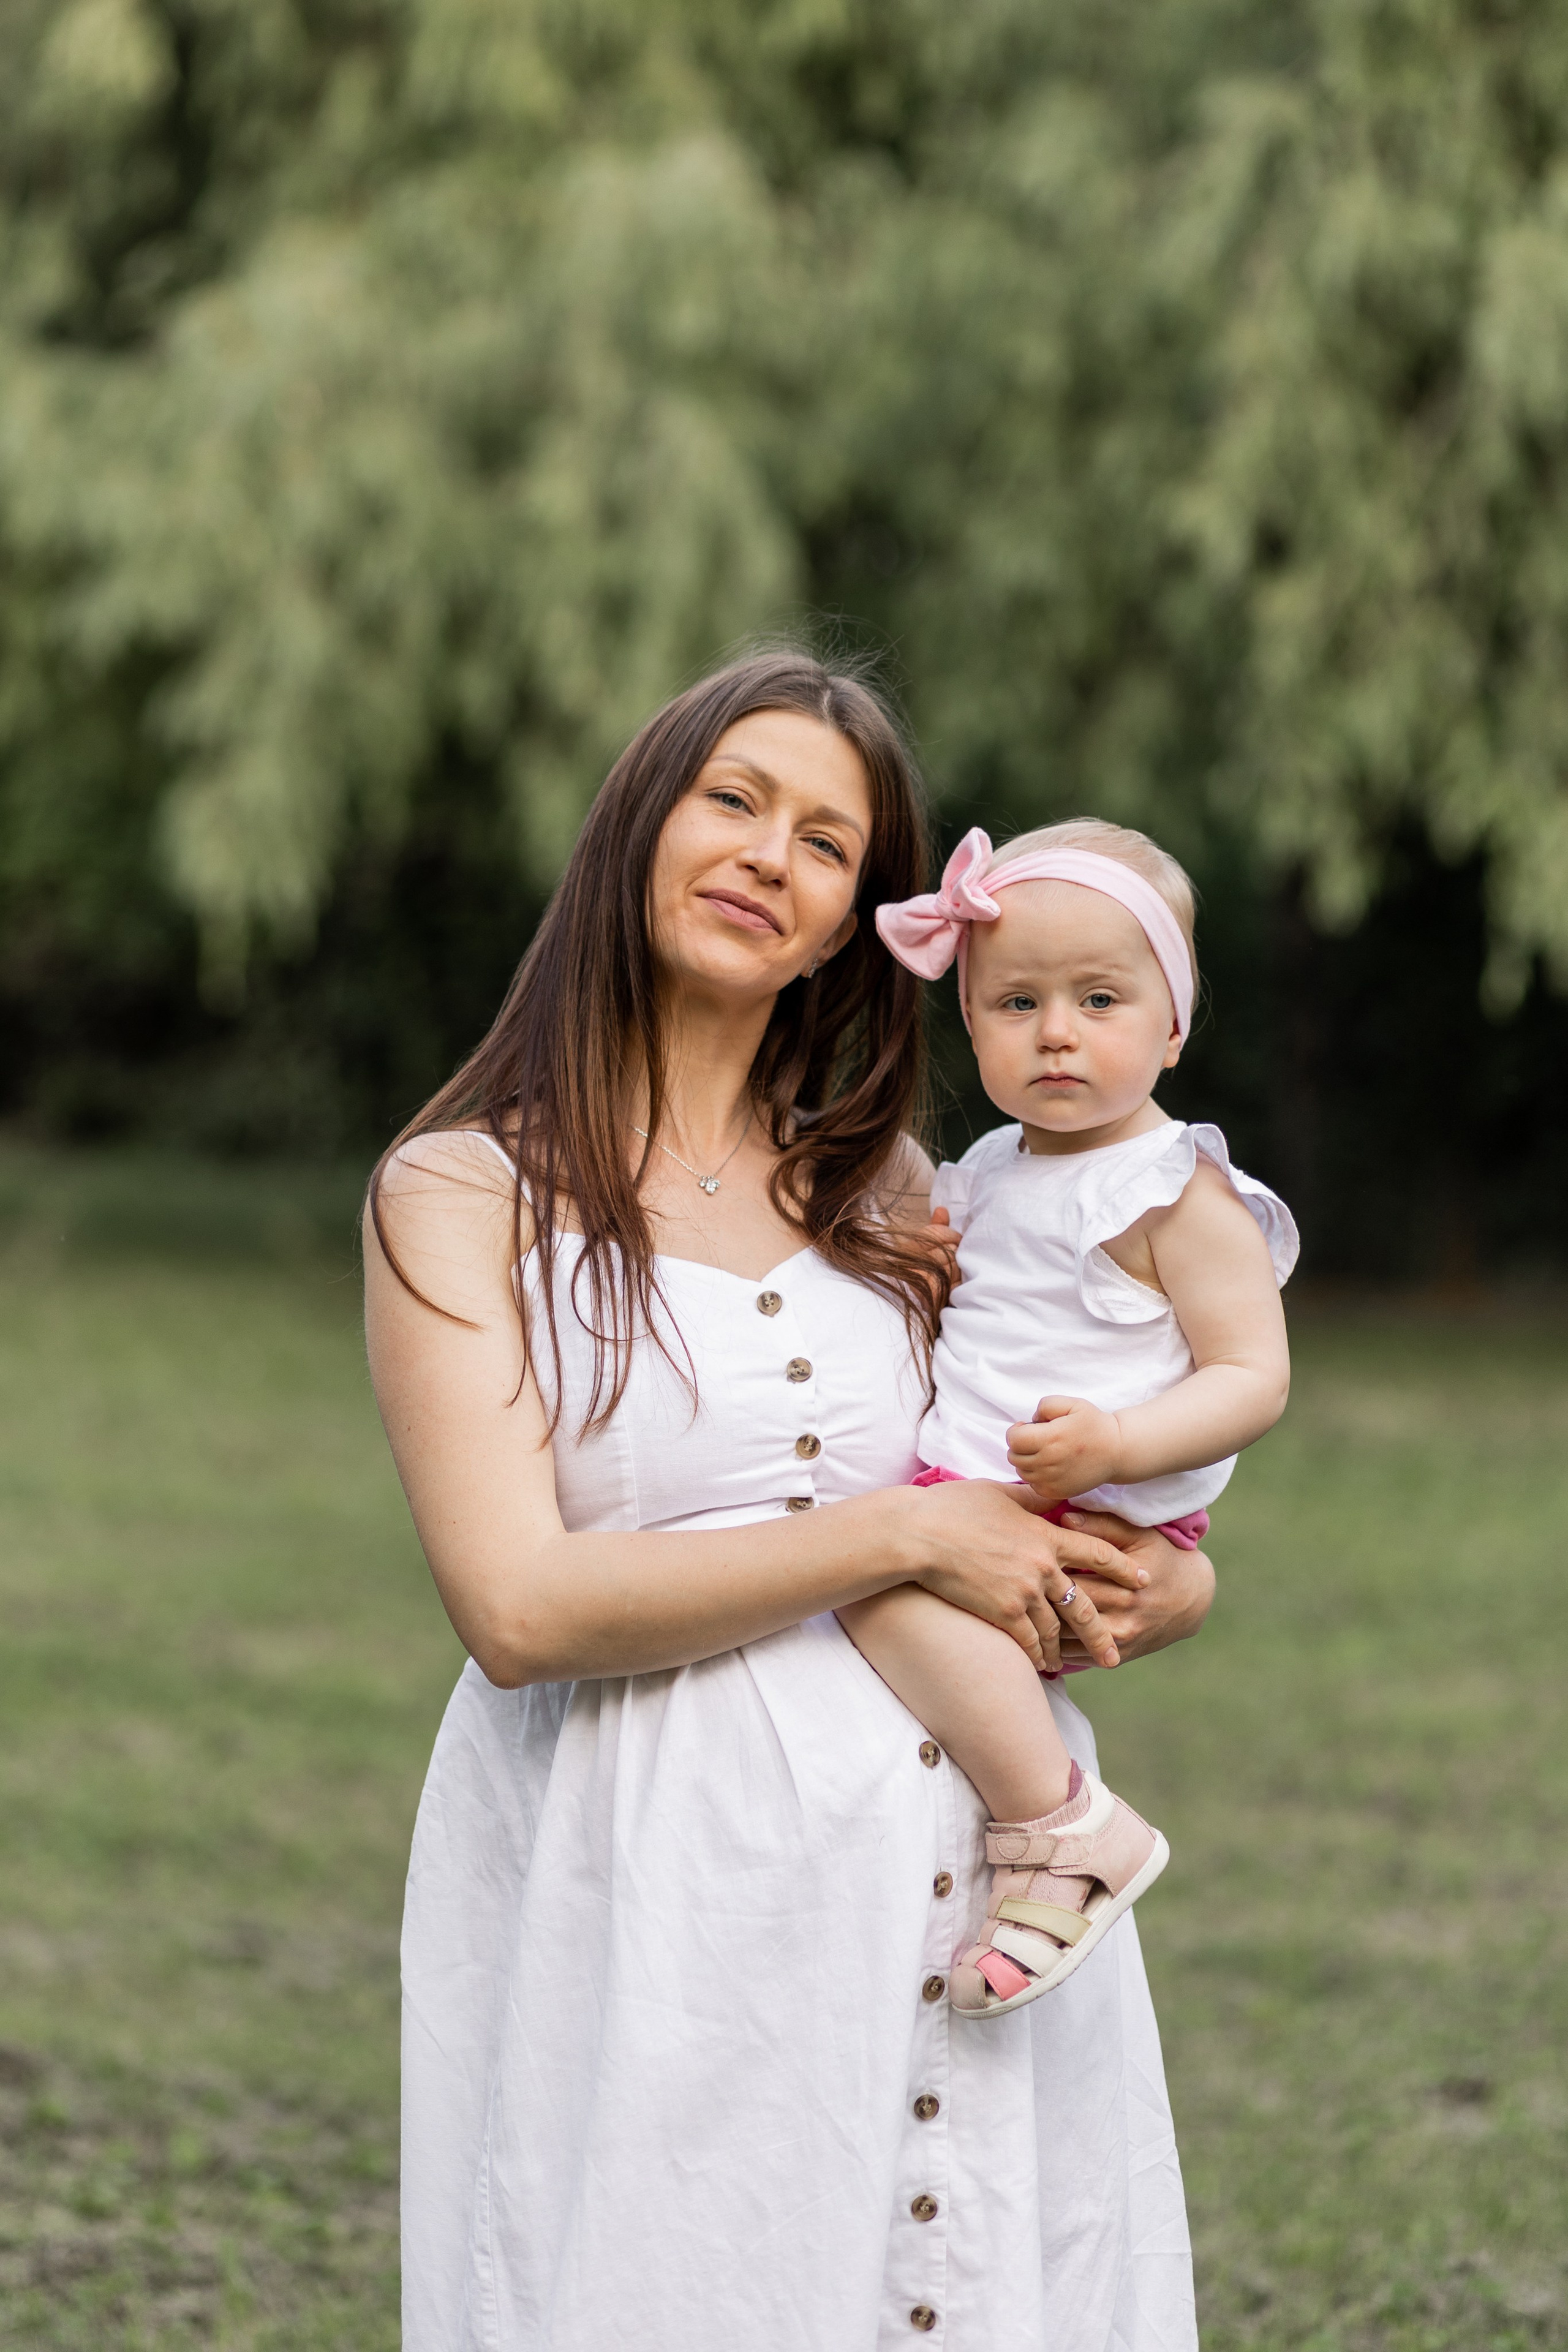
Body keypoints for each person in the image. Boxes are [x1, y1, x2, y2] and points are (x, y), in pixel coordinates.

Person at [364, 652, 1213, 2351]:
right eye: (734, 801)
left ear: (851, 924)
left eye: (826, 843)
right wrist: (902, 1536)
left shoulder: (898, 1192)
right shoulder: (461, 1193)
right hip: (657, 1883)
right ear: (639, 827)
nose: (770, 855)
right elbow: (517, 1611)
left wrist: (1168, 1584)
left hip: (974, 1870)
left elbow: (1039, 1468)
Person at [839, 823, 1297, 2020]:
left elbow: (1251, 1374)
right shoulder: (992, 1167)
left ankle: (1062, 1830)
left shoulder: (1174, 1192)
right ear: (969, 1021)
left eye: (1099, 999)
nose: (1055, 1031)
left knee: (874, 1586)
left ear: (1172, 1026)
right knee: (877, 1584)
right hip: (978, 1496)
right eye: (1016, 1002)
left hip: (1086, 1508)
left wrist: (1118, 1444)